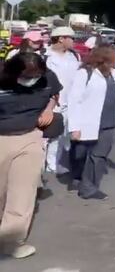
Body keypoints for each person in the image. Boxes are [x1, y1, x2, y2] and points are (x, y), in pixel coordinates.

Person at [0, 52, 63, 259]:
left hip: (30, 137)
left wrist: (49, 109)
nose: (32, 80)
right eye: (27, 76)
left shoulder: (48, 77)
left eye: (36, 75)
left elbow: (55, 94)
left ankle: (11, 242)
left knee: (23, 193)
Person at [67, 45, 115, 200]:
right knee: (80, 154)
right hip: (87, 123)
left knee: (98, 156)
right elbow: (74, 100)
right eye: (114, 56)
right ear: (104, 58)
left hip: (109, 123)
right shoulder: (85, 73)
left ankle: (89, 188)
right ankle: (77, 178)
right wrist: (75, 127)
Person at [42, 26, 81, 175]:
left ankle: (54, 164)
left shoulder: (74, 56)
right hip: (50, 103)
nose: (74, 41)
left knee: (62, 136)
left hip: (69, 104)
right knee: (48, 136)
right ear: (61, 39)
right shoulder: (45, 56)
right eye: (71, 38)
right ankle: (43, 164)